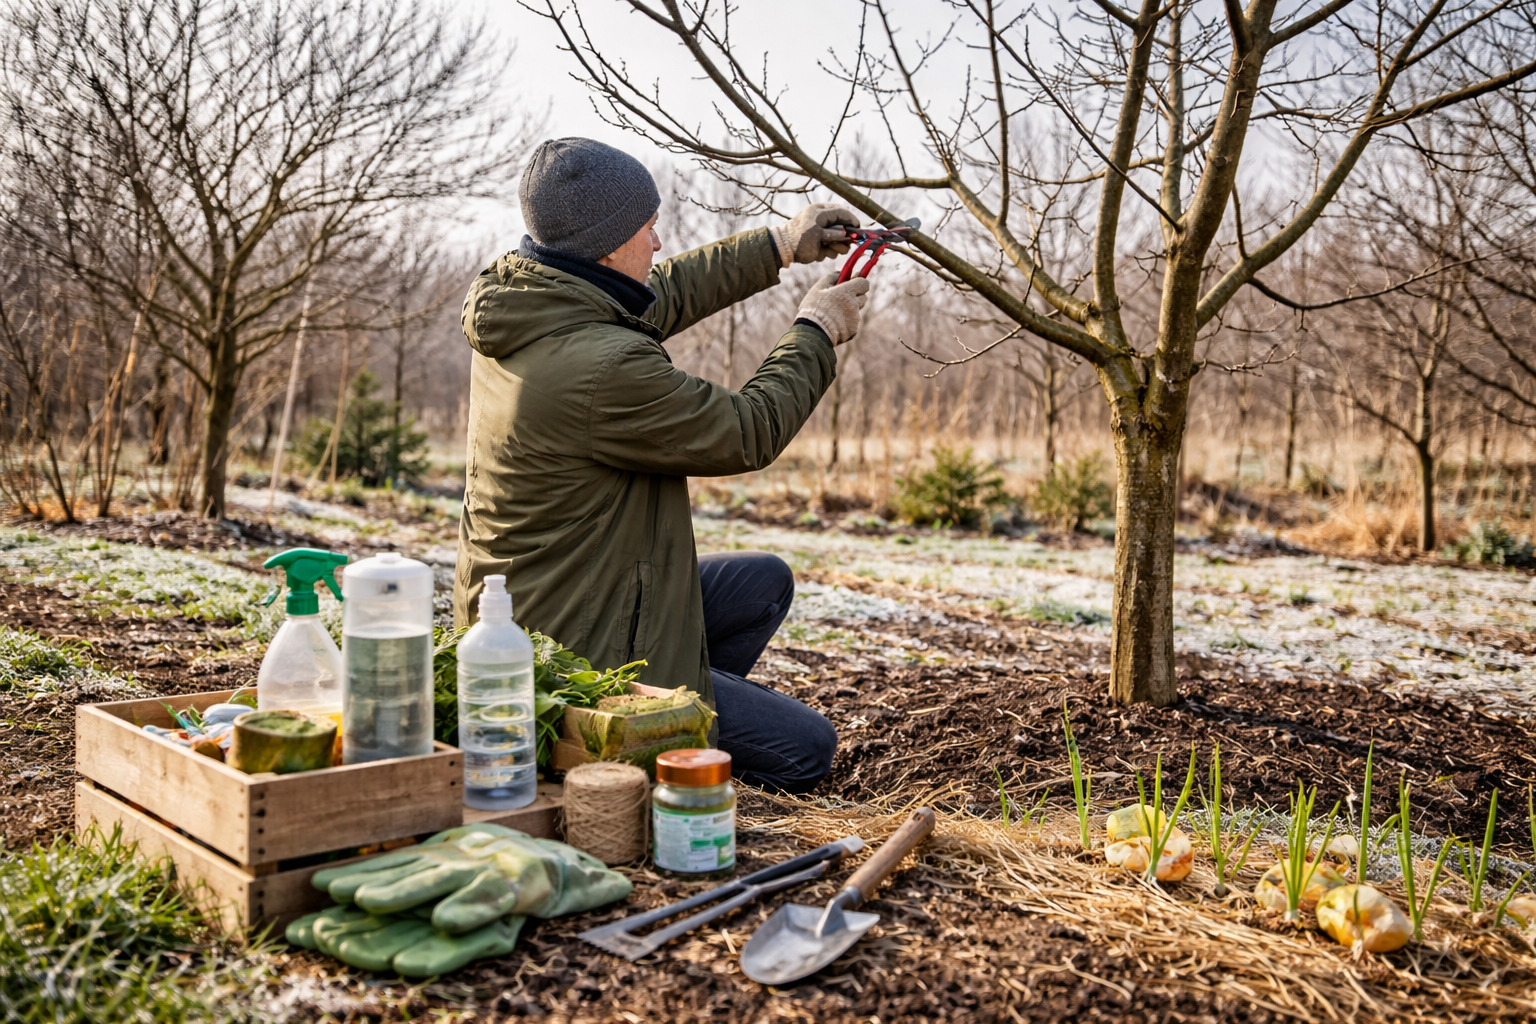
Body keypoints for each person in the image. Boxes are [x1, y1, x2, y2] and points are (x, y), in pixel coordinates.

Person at [452, 137, 872, 794]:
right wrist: (815, 331)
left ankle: (691, 705)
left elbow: (656, 294)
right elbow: (746, 431)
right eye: (648, 228)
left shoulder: (537, 299)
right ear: (608, 243)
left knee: (764, 583)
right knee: (808, 750)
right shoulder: (598, 368)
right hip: (576, 664)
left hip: (563, 604)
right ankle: (644, 744)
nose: (657, 241)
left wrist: (782, 245)